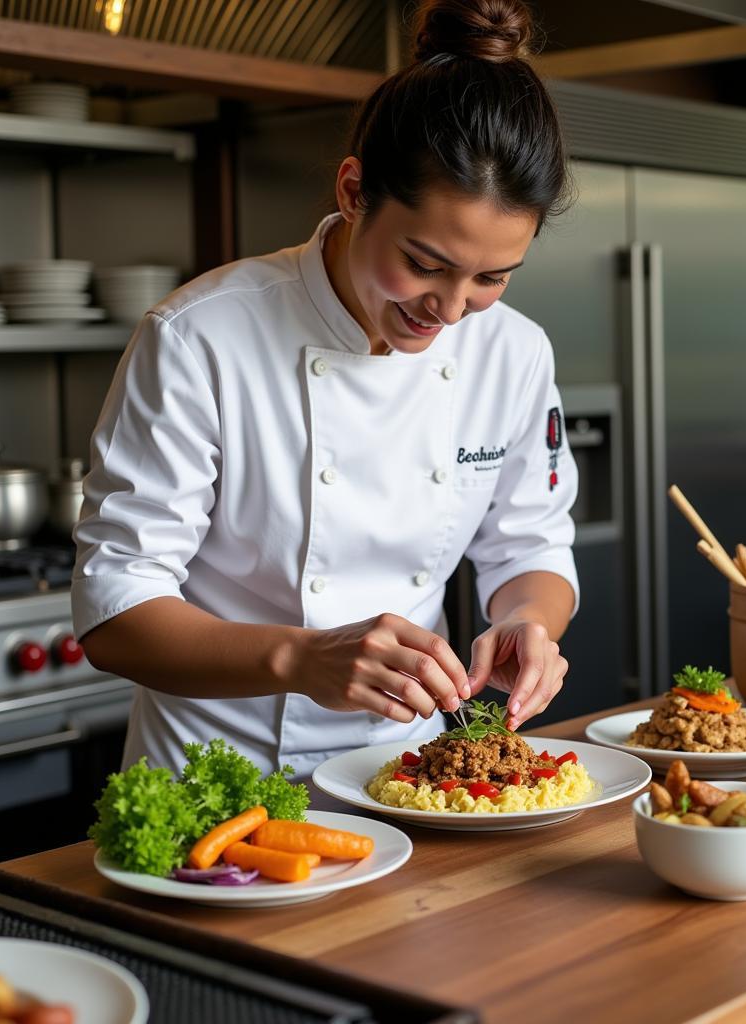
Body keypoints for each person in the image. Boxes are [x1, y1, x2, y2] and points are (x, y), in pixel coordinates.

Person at [73, 0, 580, 777]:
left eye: (492, 277)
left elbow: (533, 546)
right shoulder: (200, 336)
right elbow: (115, 611)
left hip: (406, 776)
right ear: (353, 191)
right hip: (213, 782)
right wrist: (303, 660)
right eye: (424, 262)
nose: (449, 310)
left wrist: (529, 623)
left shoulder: (513, 352)